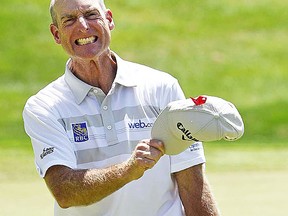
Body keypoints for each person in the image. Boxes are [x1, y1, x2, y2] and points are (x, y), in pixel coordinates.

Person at [23, 0, 221, 215]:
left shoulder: (161, 87)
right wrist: (130, 169)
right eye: (69, 20)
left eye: (91, 15)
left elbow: (192, 180)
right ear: (56, 34)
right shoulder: (44, 107)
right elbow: (65, 192)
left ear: (108, 19)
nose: (83, 26)